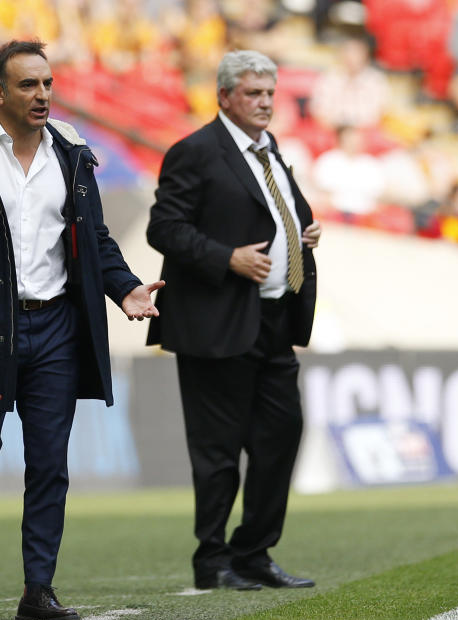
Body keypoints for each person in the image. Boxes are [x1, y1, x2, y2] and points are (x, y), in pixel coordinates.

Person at [0, 39, 163, 620]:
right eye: (28, 86)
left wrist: (124, 287)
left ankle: (38, 590)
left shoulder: (73, 154)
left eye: (47, 84)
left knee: (50, 460)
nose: (42, 96)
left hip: (57, 326)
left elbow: (95, 239)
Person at [146, 50, 321, 591]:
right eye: (253, 93)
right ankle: (213, 561)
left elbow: (281, 214)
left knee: (281, 436)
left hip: (273, 321)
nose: (265, 103)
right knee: (218, 451)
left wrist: (302, 235)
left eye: (270, 93)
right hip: (216, 321)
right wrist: (227, 257)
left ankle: (254, 553)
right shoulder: (195, 152)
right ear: (224, 96)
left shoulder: (271, 153)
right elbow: (164, 229)